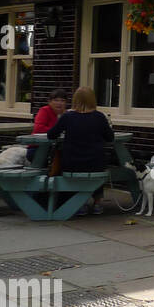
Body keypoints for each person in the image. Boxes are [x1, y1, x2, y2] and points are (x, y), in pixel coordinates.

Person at [47, 87, 113, 216]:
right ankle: (97, 203)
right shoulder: (99, 117)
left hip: (72, 163)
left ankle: (80, 204)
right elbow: (110, 138)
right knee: (97, 162)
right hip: (96, 164)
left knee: (71, 165)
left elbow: (51, 135)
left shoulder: (67, 117)